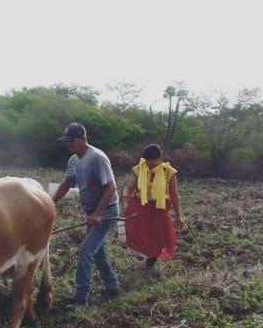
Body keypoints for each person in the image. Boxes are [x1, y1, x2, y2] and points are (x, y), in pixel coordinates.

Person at [50, 122, 120, 307]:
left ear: (83, 138)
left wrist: (98, 214)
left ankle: (81, 298)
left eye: (72, 140)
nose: (68, 144)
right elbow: (67, 184)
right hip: (91, 211)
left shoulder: (97, 157)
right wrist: (49, 203)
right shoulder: (73, 160)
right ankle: (112, 286)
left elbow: (111, 188)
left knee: (86, 251)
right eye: (66, 141)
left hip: (107, 211)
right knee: (97, 252)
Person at [122, 144, 185, 271]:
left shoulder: (169, 172)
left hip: (159, 206)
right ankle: (140, 251)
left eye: (153, 159)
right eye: (147, 159)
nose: (150, 162)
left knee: (158, 236)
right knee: (135, 228)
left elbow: (174, 195)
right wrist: (125, 199)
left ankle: (150, 263)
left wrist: (179, 216)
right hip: (140, 204)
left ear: (160, 159)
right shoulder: (138, 169)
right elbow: (129, 188)